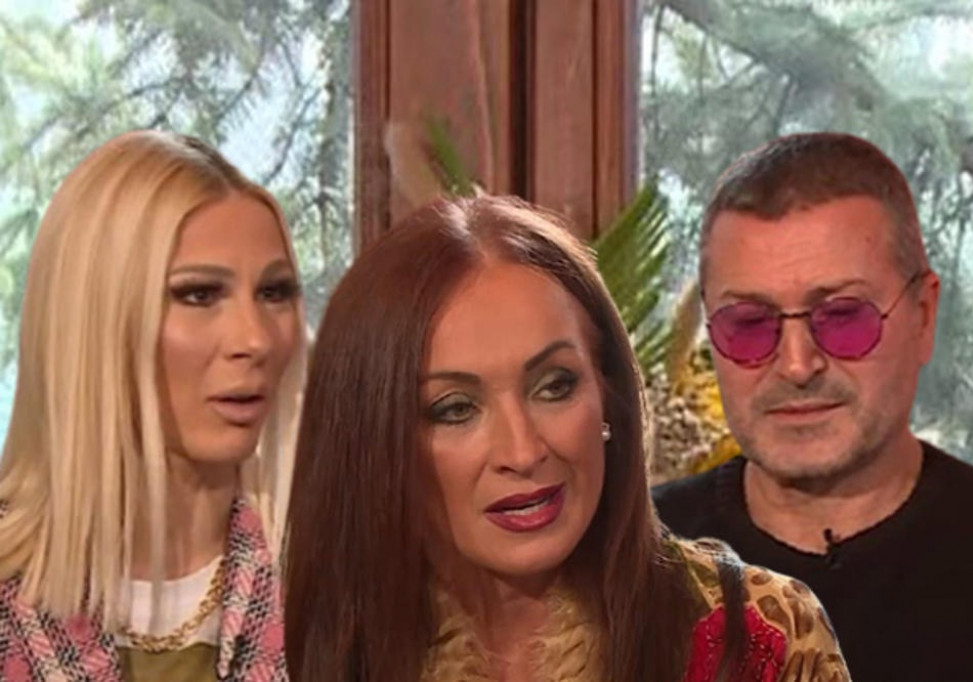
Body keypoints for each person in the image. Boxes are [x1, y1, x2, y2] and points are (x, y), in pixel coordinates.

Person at [283, 195, 849, 681]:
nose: (524, 451)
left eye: (554, 386)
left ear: (608, 396)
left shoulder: (762, 638)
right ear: (375, 444)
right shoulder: (293, 648)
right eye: (455, 409)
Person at [653, 132, 973, 681]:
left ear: (923, 316)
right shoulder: (623, 565)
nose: (797, 364)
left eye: (844, 316)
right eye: (749, 324)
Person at [0, 130, 306, 680]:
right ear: (94, 317)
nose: (256, 339)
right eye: (198, 294)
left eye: (273, 293)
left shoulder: (331, 581)